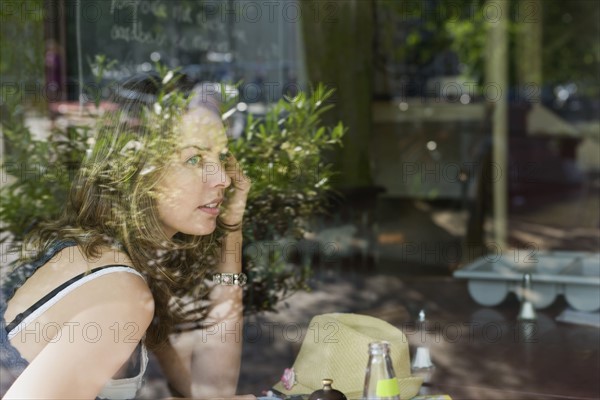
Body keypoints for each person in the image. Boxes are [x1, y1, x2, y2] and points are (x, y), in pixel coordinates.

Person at [0, 77, 254, 399]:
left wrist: (231, 228)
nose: (222, 179)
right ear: (138, 170)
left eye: (221, 157)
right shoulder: (120, 294)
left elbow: (207, 391)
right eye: (194, 159)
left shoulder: (109, 256)